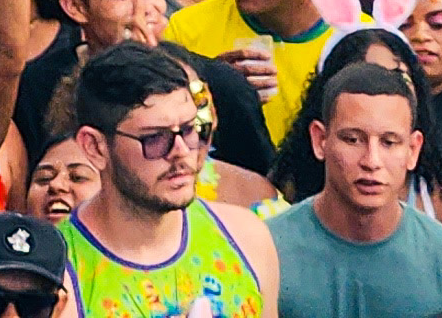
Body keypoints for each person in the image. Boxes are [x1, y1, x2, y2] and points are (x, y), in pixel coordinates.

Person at [55, 44, 278, 318]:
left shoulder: (247, 238)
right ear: (95, 147)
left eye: (188, 129)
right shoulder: (58, 273)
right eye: (155, 138)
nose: (181, 151)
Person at [263, 55, 442, 318]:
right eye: (353, 139)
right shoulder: (266, 249)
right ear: (320, 140)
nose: (371, 161)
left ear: (413, 149)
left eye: (389, 142)